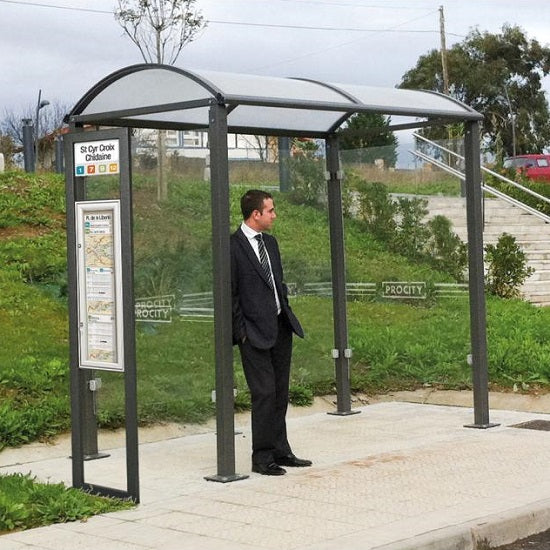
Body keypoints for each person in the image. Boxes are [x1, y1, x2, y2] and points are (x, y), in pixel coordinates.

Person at [230, 189, 312, 476]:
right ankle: (261, 456)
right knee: (263, 393)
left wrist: (284, 310)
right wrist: (241, 333)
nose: (274, 215)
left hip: (279, 327)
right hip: (252, 333)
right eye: (270, 211)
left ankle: (280, 449)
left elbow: (278, 283)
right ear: (256, 214)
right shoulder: (233, 246)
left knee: (279, 392)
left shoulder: (271, 244)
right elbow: (231, 295)